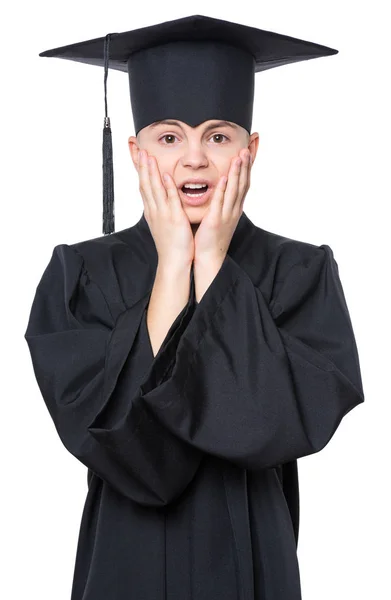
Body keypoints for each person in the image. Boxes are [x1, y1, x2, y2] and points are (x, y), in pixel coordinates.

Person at [24, 15, 365, 600]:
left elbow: (268, 424)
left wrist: (210, 263)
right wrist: (173, 266)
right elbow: (126, 454)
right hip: (123, 565)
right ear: (135, 153)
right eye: (168, 137)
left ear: (249, 150)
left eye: (218, 135)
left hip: (254, 565)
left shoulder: (301, 272)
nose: (195, 159)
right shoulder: (79, 275)